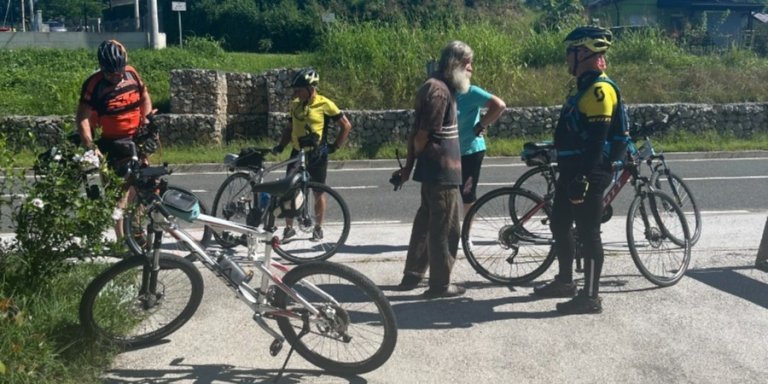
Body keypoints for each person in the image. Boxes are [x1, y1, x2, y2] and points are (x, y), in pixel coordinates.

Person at [532, 26, 628, 314]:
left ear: (583, 53)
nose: (565, 59)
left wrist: (583, 180)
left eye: (569, 53)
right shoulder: (585, 87)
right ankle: (564, 281)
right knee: (560, 223)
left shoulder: (600, 90)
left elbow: (597, 143)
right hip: (572, 169)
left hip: (590, 170)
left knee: (588, 232)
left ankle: (590, 297)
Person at [391, 41, 473, 298]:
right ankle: (440, 284)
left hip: (435, 170)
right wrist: (412, 162)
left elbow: (417, 133)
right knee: (446, 228)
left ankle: (413, 274)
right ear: (455, 64)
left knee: (426, 222)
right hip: (442, 171)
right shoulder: (439, 91)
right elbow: (422, 134)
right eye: (467, 63)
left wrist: (409, 167)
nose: (471, 69)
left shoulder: (437, 86)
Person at [76, 39, 153, 241]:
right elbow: (82, 117)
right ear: (102, 68)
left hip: (136, 139)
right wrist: (90, 146)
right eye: (110, 72)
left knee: (146, 185)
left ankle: (136, 231)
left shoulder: (131, 74)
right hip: (113, 143)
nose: (116, 75)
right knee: (121, 193)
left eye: (118, 71)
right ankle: (121, 240)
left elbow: (145, 97)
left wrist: (146, 120)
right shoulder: (94, 84)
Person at [272, 68, 352, 241]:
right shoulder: (295, 104)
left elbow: (346, 125)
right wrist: (280, 146)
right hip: (297, 152)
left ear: (310, 88)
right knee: (290, 189)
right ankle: (288, 228)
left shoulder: (325, 104)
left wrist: (334, 146)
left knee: (318, 191)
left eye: (299, 90)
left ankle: (318, 227)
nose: (296, 93)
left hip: (317, 154)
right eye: (295, 90)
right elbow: (290, 127)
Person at [457, 84, 506, 216]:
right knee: (443, 194)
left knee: (467, 194)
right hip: (448, 151)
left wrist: (481, 124)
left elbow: (499, 105)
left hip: (470, 150)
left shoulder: (470, 91)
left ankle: (466, 234)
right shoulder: (443, 91)